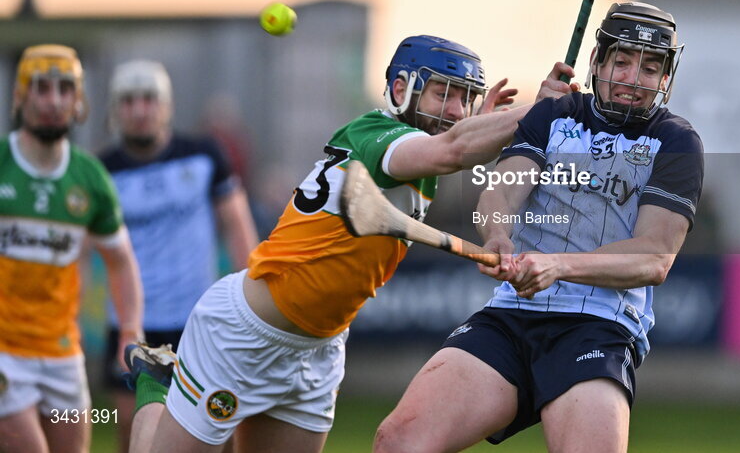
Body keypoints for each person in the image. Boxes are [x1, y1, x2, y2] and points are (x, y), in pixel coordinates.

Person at [122, 35, 574, 453]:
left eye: (463, 98)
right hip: (243, 335)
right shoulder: (377, 136)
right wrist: (538, 109)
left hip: (319, 351)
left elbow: (460, 147)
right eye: (443, 94)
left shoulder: (424, 163)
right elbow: (454, 149)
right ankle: (155, 383)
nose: (456, 111)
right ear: (402, 90)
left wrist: (495, 128)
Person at [374, 3, 705, 453]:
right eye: (622, 62)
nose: (633, 78)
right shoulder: (553, 115)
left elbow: (654, 255)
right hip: (512, 316)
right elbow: (500, 193)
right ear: (598, 62)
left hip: (599, 328)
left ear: (665, 78)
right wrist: (497, 237)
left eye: (650, 68)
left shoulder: (676, 141)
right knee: (399, 442)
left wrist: (556, 265)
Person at [98, 60, 259, 453]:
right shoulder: (100, 172)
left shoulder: (204, 156)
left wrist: (254, 308)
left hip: (199, 324)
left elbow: (239, 230)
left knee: (214, 437)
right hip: (130, 328)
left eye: (149, 99)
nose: (139, 110)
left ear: (166, 105)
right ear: (115, 110)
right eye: (129, 100)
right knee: (130, 438)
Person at [0, 45, 144, 453]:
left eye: (65, 89)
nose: (53, 101)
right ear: (20, 96)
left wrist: (129, 333)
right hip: (5, 354)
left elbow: (120, 261)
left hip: (62, 356)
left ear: (78, 100)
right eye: (41, 88)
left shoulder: (90, 178)